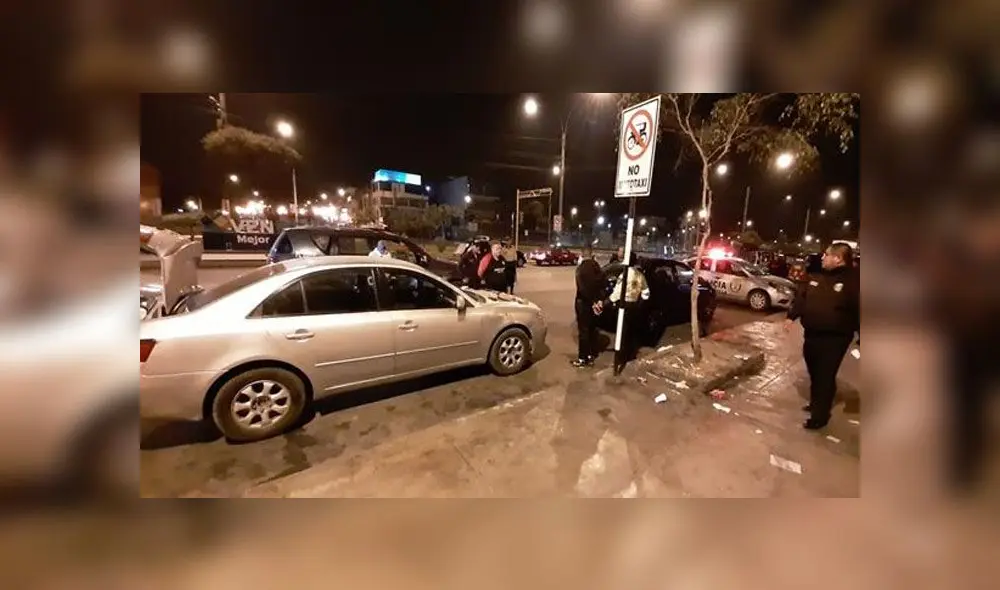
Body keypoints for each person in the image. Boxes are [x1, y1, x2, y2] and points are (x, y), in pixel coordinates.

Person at [785, 243, 860, 430]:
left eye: (827, 255)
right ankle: (817, 401)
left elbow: (860, 309)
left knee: (825, 374)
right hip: (811, 334)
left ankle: (820, 416)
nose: (823, 257)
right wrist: (791, 316)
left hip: (835, 339)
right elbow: (803, 298)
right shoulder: (816, 275)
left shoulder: (853, 281)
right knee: (815, 371)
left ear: (838, 258)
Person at [597, 252, 649, 375]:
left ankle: (621, 358)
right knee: (632, 333)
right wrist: (639, 304)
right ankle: (630, 356)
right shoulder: (640, 275)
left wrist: (605, 303)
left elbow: (616, 294)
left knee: (622, 333)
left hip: (624, 306)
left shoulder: (625, 275)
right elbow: (646, 293)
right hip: (635, 307)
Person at [572, 246, 605, 368]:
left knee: (583, 332)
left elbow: (582, 289)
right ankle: (591, 355)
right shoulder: (597, 267)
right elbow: (603, 284)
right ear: (592, 254)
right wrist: (598, 301)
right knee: (592, 330)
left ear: (582, 254)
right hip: (595, 305)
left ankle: (582, 359)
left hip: (584, 304)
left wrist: (591, 301)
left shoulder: (581, 269)